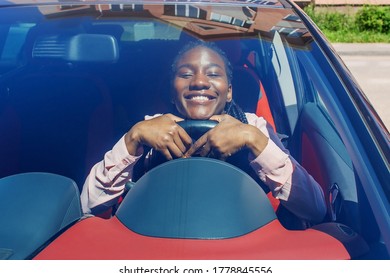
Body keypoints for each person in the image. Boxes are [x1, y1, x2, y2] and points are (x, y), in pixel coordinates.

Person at [80, 41, 327, 224]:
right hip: (157, 237)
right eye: (186, 74)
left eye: (213, 74)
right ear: (172, 91)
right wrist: (131, 139)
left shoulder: (255, 128)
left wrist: (254, 141)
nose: (199, 81)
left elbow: (315, 208)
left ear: (229, 91)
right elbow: (87, 205)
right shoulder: (148, 130)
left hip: (244, 238)